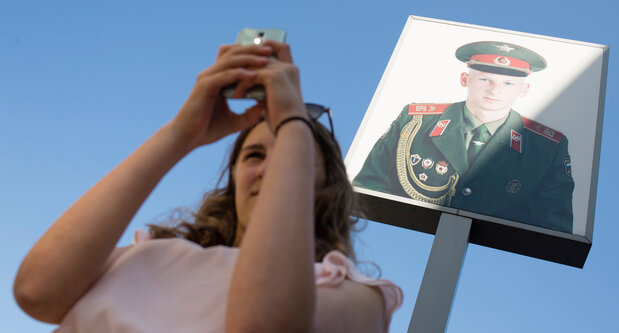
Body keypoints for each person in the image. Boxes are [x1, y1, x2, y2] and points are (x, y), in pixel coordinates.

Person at [14, 41, 402, 332]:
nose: (267, 169)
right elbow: (35, 291)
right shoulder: (145, 254)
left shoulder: (352, 292)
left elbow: (261, 325)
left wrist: (293, 125)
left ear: (323, 181)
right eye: (252, 156)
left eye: (285, 154)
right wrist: (181, 134)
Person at [353, 41, 574, 233]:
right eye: (485, 80)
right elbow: (368, 189)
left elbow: (550, 227)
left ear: (523, 89)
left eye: (508, 83)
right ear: (464, 79)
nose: (494, 91)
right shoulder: (415, 121)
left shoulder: (547, 147)